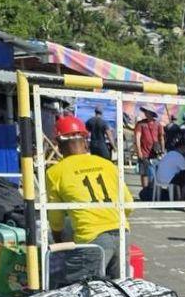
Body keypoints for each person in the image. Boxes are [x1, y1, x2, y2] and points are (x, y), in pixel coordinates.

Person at [45, 114, 133, 282]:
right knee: (122, 289)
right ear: (85, 140)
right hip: (122, 231)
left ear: (58, 144)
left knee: (87, 291)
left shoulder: (55, 172)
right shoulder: (107, 165)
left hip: (92, 239)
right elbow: (128, 204)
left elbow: (55, 218)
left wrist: (59, 244)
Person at [134, 106, 164, 193]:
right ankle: (145, 191)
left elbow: (161, 138)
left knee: (155, 172)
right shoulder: (140, 124)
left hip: (155, 152)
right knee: (144, 173)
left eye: (148, 112)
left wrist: (162, 150)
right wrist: (138, 151)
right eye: (145, 111)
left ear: (151, 114)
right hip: (144, 152)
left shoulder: (158, 124)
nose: (146, 113)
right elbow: (137, 138)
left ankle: (152, 190)